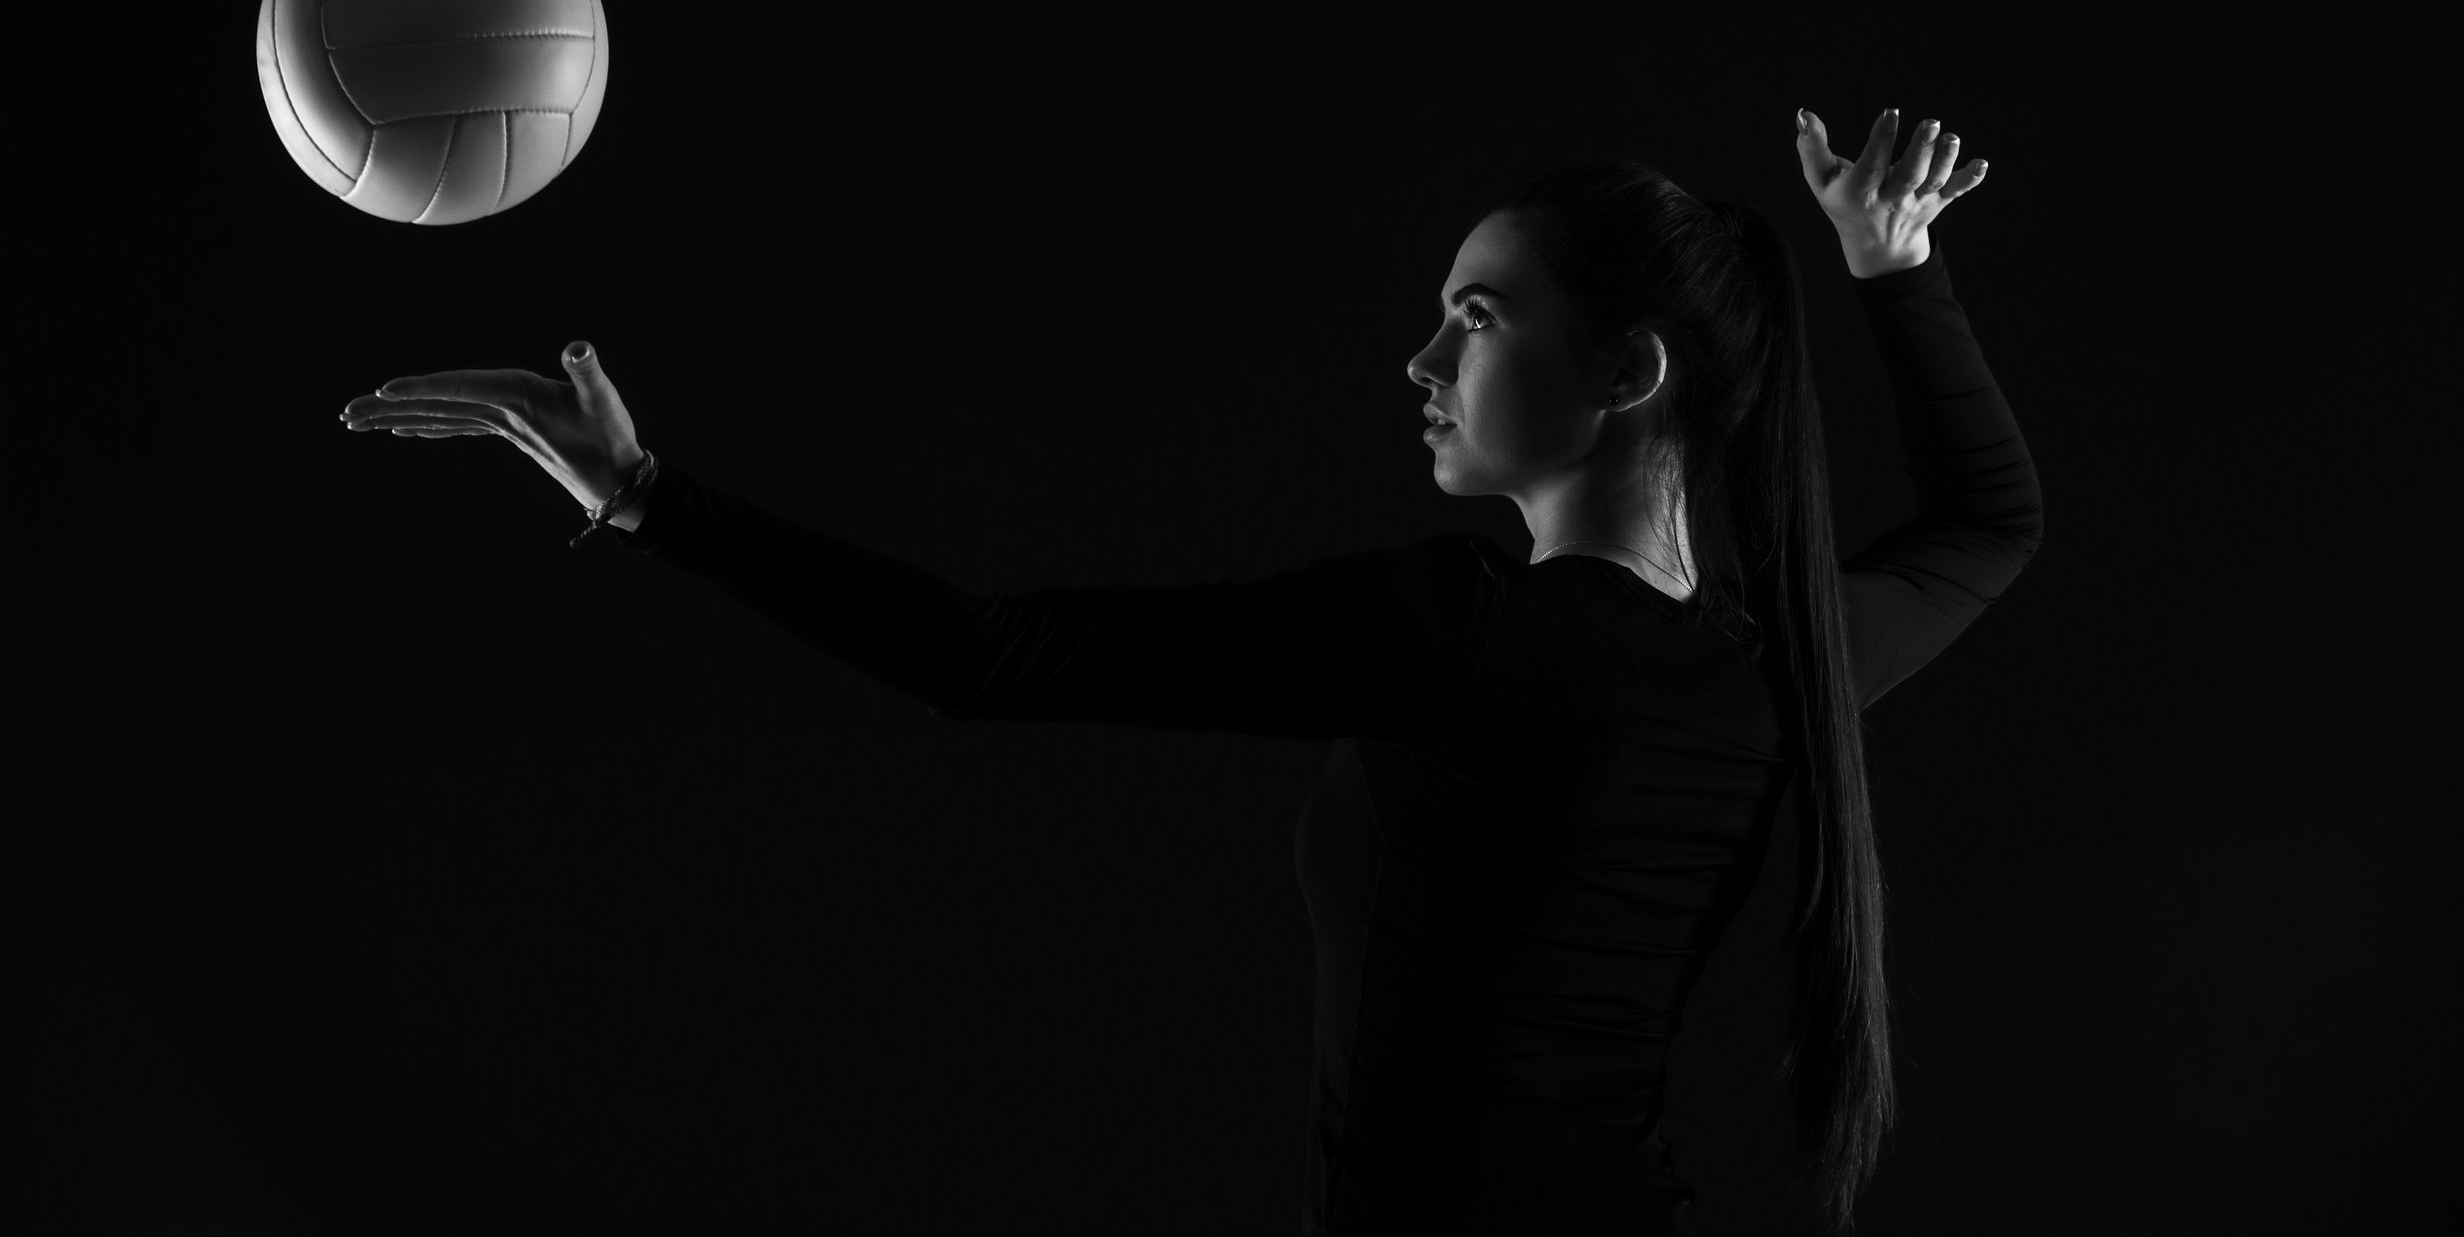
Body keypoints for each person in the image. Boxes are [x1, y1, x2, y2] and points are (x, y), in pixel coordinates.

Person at [339, 108, 2041, 1235]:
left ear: (1627, 373)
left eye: (1477, 315)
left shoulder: (1474, 634)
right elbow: (1990, 524)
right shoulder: (1773, 669)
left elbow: (996, 657)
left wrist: (648, 500)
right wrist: (1896, 264)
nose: (1423, 355)